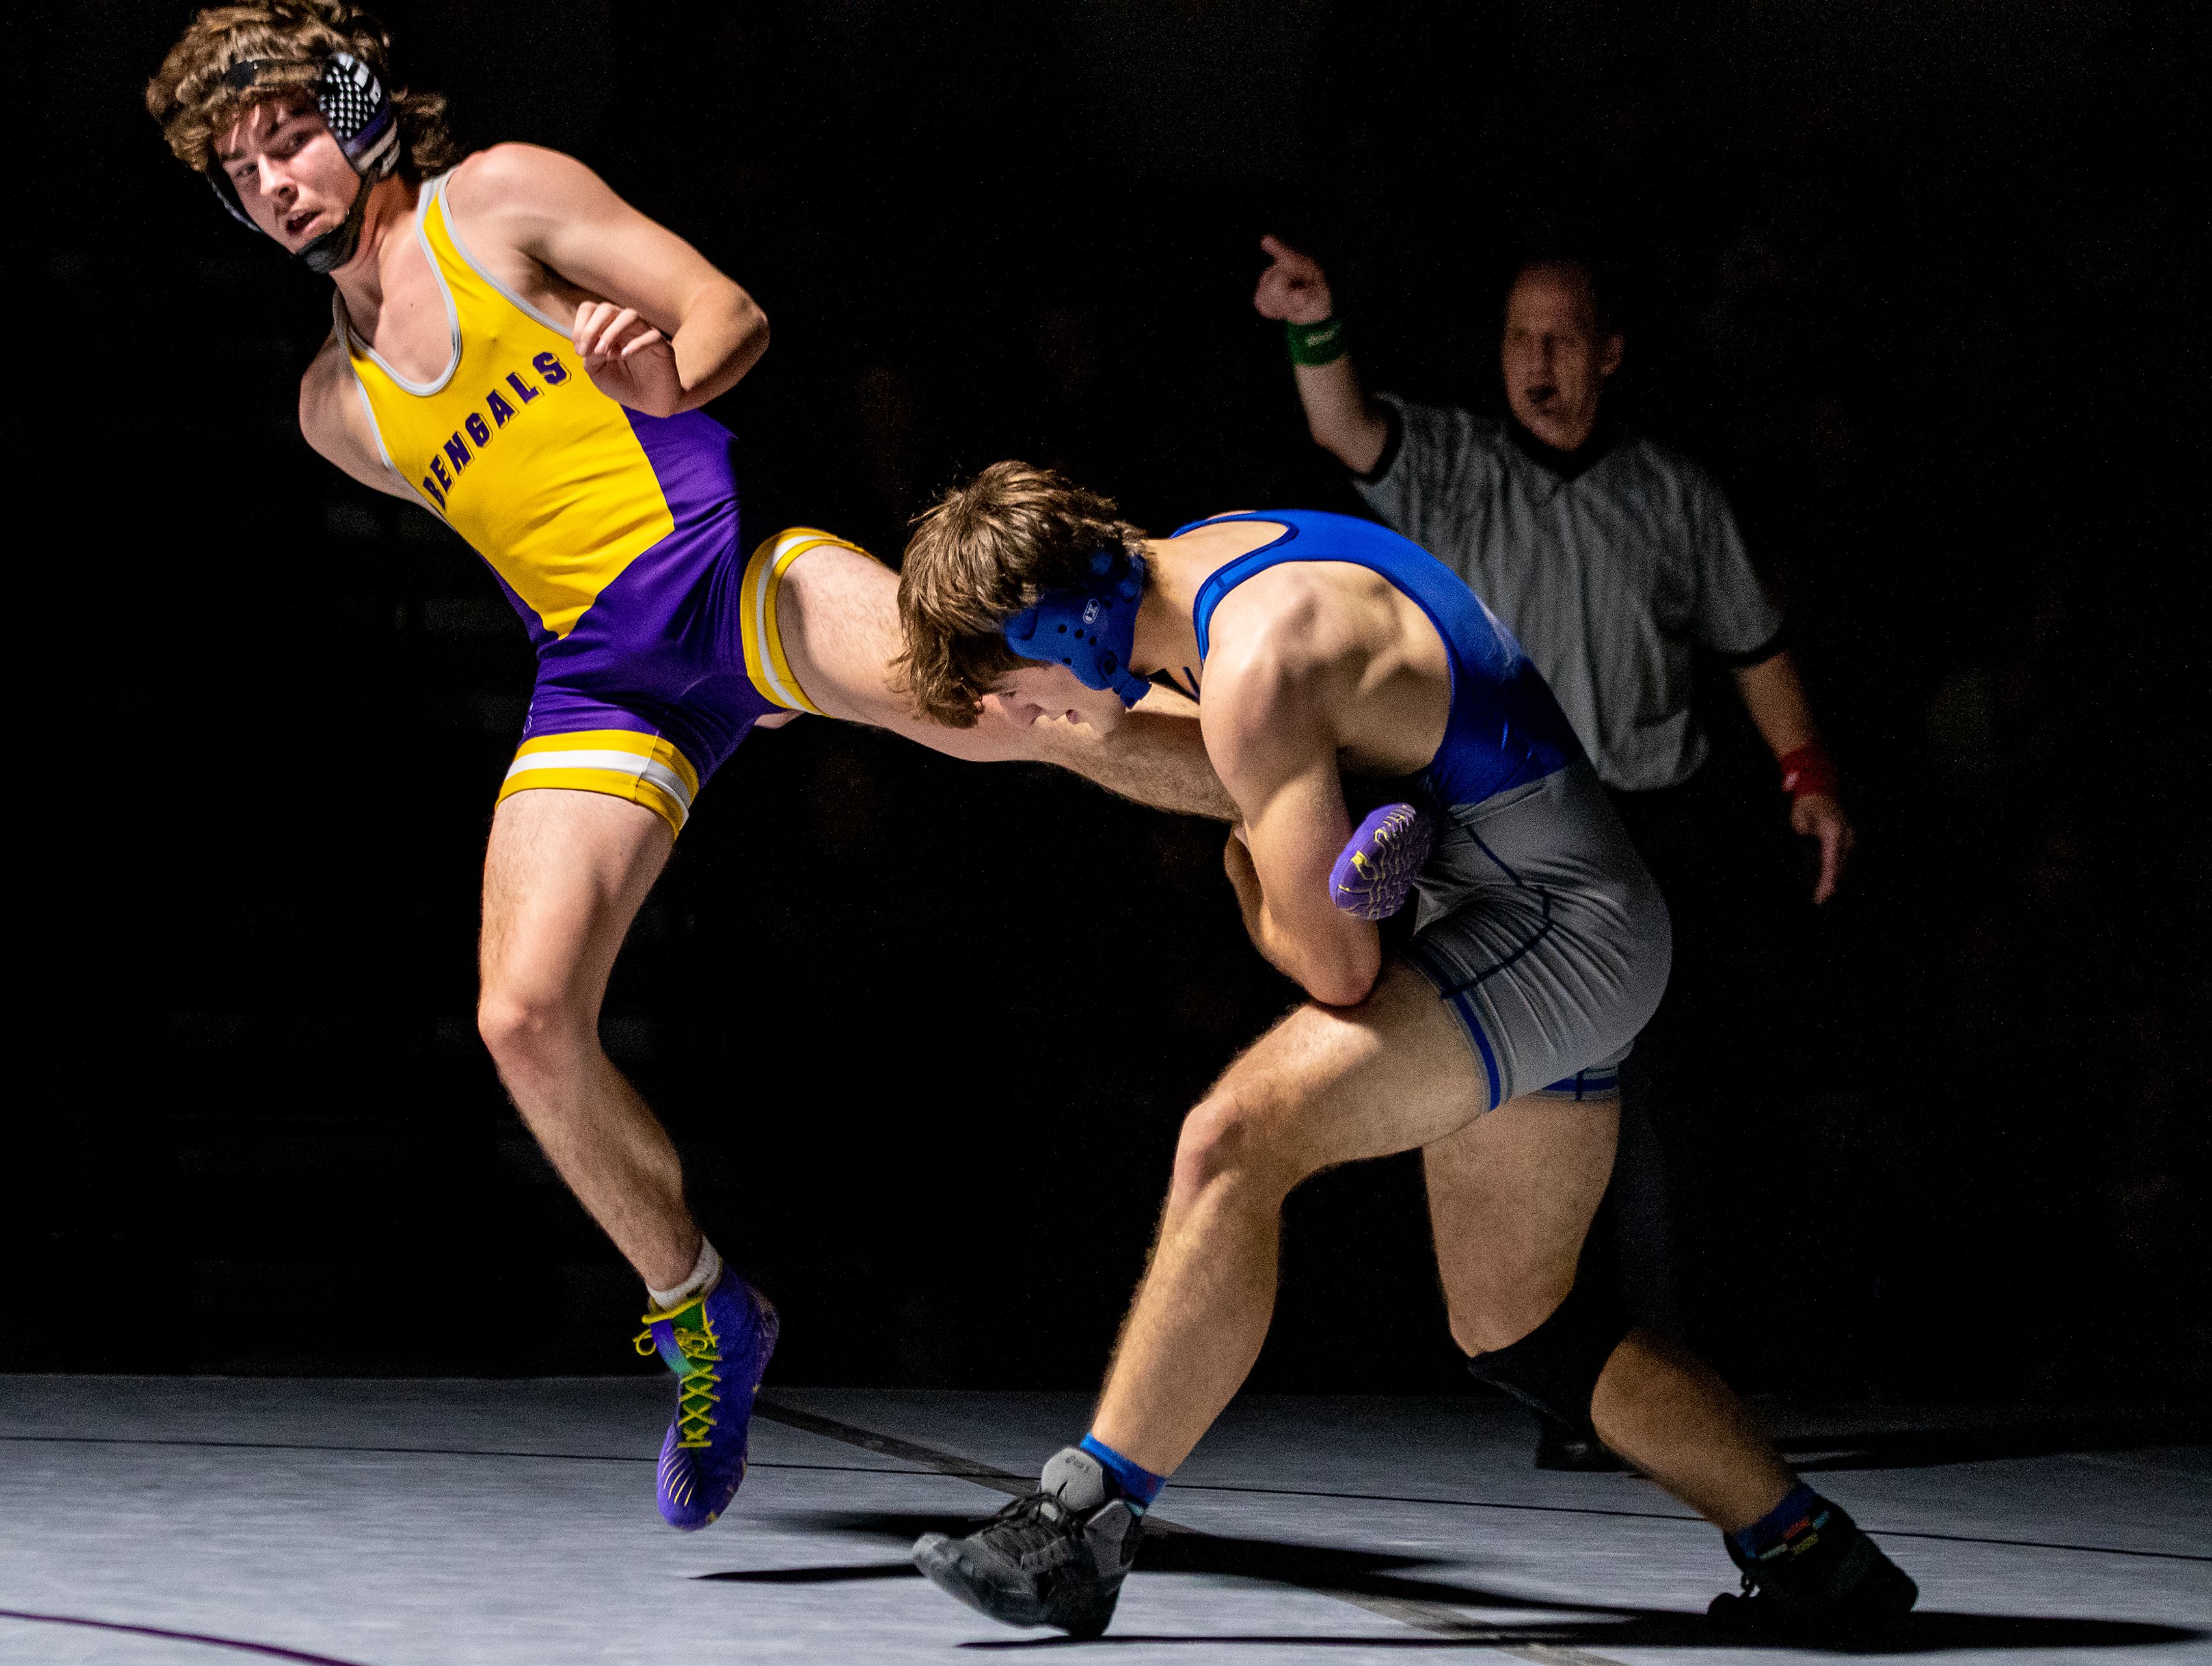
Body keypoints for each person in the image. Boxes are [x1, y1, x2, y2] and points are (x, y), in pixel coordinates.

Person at [143, 2, 1229, 1533]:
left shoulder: (504, 198)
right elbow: (524, 529)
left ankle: (1314, 800)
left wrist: (665, 377)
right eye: (239, 169)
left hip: (729, 584)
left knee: (1010, 712)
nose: (272, 183)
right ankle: (701, 1304)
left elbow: (731, 317)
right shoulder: (335, 411)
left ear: (361, 111)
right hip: (602, 678)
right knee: (521, 1017)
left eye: (291, 135)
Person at [893, 463, 1915, 1642]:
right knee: (1517, 1322)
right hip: (1560, 915)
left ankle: (1083, 1524)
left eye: (1019, 691)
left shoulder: (1254, 672)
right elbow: (1236, 757)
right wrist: (1141, 762)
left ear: (1061, 619)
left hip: (1549, 932)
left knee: (1234, 1138)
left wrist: (1242, 869)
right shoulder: (1226, 553)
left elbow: (1339, 971)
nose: (1025, 716)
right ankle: (1815, 1556)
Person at [1256, 238, 1855, 1461]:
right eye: (1520, 338)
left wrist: (1806, 777)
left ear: (1609, 355)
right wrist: (1315, 326)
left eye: (1562, 339)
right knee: (1496, 1100)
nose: (1538, 360)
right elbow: (1345, 431)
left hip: (1649, 838)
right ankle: (1559, 1381)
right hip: (1492, 845)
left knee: (1645, 1125)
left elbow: (1756, 648)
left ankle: (1646, 1396)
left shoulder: (1674, 494)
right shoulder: (1461, 469)